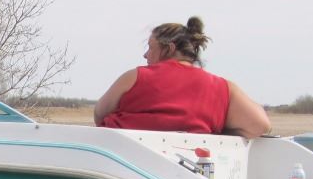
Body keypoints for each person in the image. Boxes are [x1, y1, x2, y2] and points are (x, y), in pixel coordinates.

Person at [93, 17, 271, 139]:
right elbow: (260, 125)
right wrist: (218, 136)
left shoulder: (135, 77)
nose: (145, 55)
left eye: (151, 47)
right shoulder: (222, 87)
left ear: (169, 48)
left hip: (121, 164)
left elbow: (99, 114)